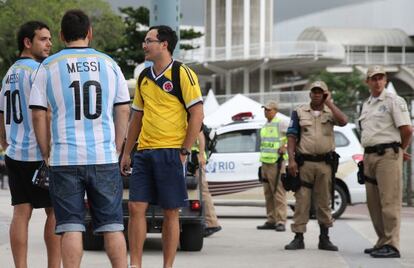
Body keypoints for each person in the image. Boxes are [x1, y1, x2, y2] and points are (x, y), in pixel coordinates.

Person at [29, 10, 129, 268]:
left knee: (71, 227)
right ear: (90, 33)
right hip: (104, 156)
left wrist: (45, 152)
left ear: (61, 36)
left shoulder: (48, 66)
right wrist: (117, 148)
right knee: (113, 227)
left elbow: (38, 115)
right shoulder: (110, 64)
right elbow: (123, 109)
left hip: (65, 158)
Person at [120, 25, 204, 268]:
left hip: (171, 152)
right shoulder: (144, 77)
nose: (144, 45)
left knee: (170, 212)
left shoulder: (182, 73)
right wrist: (127, 152)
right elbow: (136, 117)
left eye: (149, 40)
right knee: (136, 207)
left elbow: (197, 114)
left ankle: (167, 265)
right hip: (144, 152)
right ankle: (135, 264)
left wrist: (184, 151)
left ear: (164, 44)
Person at [0, 21, 61, 268]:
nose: (49, 44)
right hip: (39, 153)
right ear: (28, 42)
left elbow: (1, 112)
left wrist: (4, 141)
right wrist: (48, 150)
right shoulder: (39, 71)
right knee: (55, 212)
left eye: (49, 39)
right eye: (43, 39)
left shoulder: (9, 74)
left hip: (15, 153)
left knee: (20, 213)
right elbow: (44, 113)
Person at [285, 81, 348, 251]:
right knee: (302, 201)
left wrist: (330, 103)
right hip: (304, 163)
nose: (317, 94)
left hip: (324, 164)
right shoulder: (299, 112)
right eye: (314, 91)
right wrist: (291, 160)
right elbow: (291, 137)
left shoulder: (331, 112)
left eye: (321, 92)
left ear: (325, 94)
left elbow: (344, 121)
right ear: (310, 94)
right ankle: (298, 237)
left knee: (324, 201)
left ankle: (324, 238)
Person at [358, 65, 412, 258]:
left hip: (388, 156)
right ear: (368, 82)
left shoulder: (394, 101)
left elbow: (407, 129)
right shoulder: (367, 104)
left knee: (389, 201)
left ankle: (393, 245)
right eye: (374, 78)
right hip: (370, 156)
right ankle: (382, 240)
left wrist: (400, 150)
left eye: (381, 78)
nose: (378, 81)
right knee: (373, 203)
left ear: (386, 80)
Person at [256, 100, 288, 232]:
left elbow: (294, 136)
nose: (266, 111)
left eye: (268, 109)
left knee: (278, 193)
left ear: (275, 110)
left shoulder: (281, 122)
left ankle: (281, 221)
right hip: (265, 163)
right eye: (265, 109)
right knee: (268, 193)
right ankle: (271, 219)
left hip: (277, 163)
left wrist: (285, 147)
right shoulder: (266, 124)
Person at [192, 131, 222, 237]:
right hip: (193, 158)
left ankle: (211, 223)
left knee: (202, 190)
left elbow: (199, 135)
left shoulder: (192, 117)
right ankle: (209, 222)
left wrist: (200, 155)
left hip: (195, 160)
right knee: (199, 191)